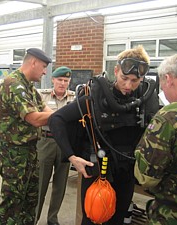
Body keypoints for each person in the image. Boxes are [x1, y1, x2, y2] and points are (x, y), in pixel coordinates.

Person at [48, 45, 160, 225]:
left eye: (135, 80)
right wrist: (72, 156)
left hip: (127, 172)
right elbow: (56, 119)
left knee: (118, 218)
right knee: (93, 219)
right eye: (124, 78)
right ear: (116, 71)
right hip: (98, 169)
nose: (128, 85)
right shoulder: (97, 98)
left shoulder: (147, 100)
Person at [0, 48, 53, 225]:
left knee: (29, 202)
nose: (44, 71)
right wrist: (65, 114)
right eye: (43, 66)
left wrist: (63, 115)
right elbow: (34, 118)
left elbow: (46, 111)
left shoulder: (29, 88)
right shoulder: (14, 84)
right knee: (12, 205)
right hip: (14, 154)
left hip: (30, 151)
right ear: (32, 62)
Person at [134, 54, 177, 225]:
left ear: (168, 78)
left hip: (175, 213)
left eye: (162, 87)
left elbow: (146, 177)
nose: (163, 91)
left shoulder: (169, 116)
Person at [35, 66, 75, 225]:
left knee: (60, 184)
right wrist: (61, 117)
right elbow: (37, 117)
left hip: (64, 144)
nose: (62, 83)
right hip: (46, 142)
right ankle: (34, 218)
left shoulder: (74, 98)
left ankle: (53, 218)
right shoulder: (41, 96)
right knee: (40, 184)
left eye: (66, 81)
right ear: (53, 80)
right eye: (59, 80)